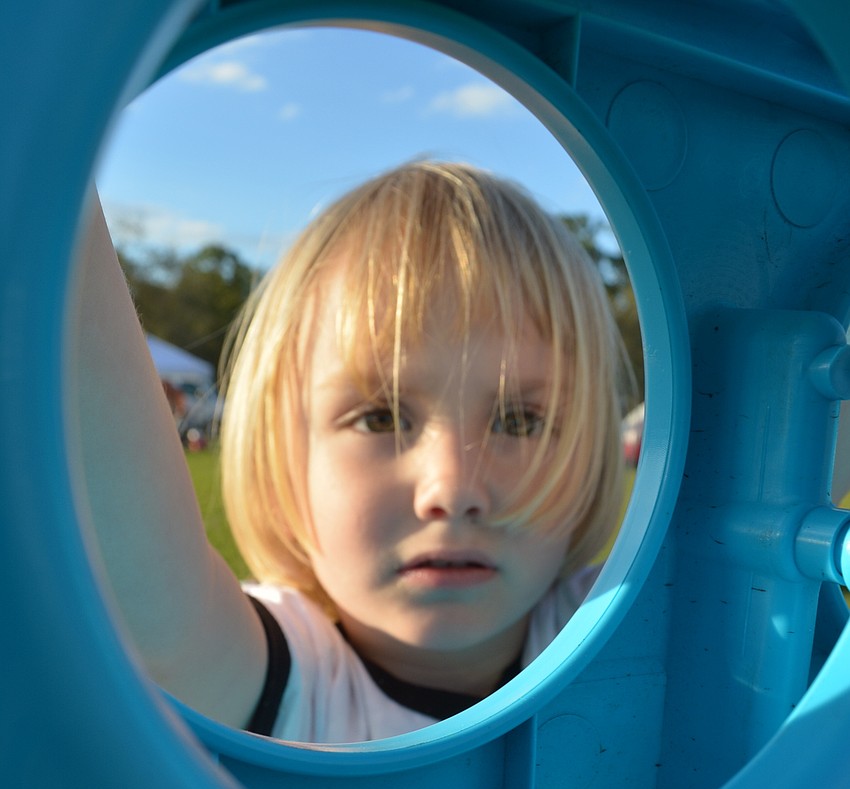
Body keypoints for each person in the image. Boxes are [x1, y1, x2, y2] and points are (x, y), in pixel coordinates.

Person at [73, 161, 626, 744]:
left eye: (519, 420)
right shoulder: (282, 679)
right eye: (380, 417)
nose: (454, 490)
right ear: (285, 454)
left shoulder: (632, 627)